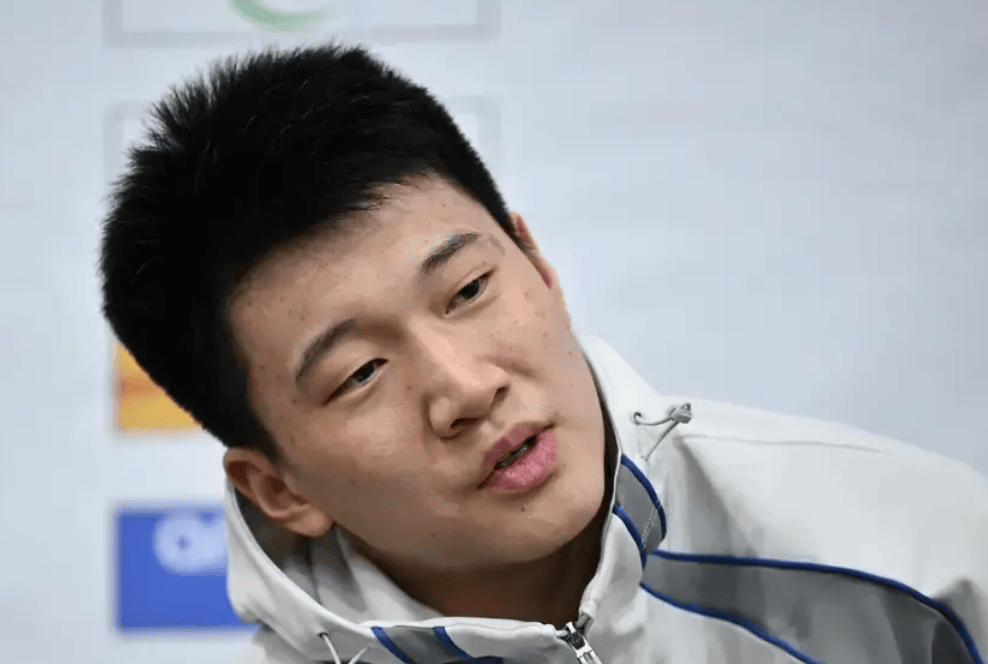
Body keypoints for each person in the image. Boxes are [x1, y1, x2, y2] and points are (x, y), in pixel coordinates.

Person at [99, 42, 987, 664]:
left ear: (538, 263)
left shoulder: (918, 562)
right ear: (279, 489)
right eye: (361, 374)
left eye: (468, 291)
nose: (464, 389)